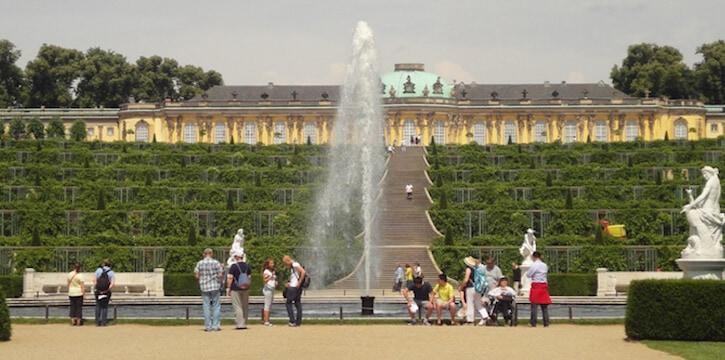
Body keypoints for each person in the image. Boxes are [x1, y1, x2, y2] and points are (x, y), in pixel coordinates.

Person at [681, 166, 725, 258]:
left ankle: (698, 246)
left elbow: (703, 196)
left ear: (710, 173)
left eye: (705, 174)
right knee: (692, 210)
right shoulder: (717, 183)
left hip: (707, 211)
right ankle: (697, 245)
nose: (704, 176)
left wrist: (690, 206)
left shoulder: (711, 182)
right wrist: (690, 196)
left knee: (691, 212)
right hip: (713, 210)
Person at [195, 248, 223, 332]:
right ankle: (216, 326)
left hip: (204, 286)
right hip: (215, 286)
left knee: (206, 306)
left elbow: (196, 275)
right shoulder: (216, 262)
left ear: (204, 254)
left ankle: (208, 326)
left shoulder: (200, 263)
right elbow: (220, 274)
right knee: (216, 306)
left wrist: (203, 278)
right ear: (211, 254)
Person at [459, 256, 488, 326]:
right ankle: (485, 315)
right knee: (478, 304)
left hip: (470, 288)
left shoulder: (468, 269)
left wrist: (461, 287)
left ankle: (470, 320)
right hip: (478, 288)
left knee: (470, 304)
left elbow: (466, 280)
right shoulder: (477, 269)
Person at [227, 250, 251, 329]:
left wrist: (229, 288)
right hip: (245, 287)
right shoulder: (247, 266)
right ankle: (244, 322)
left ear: (237, 257)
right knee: (245, 306)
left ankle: (240, 324)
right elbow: (249, 277)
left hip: (235, 287)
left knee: (237, 306)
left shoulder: (234, 266)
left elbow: (230, 278)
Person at [526, 251, 551, 327]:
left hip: (536, 285)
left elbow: (528, 275)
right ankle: (546, 323)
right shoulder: (544, 265)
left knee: (534, 305)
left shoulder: (534, 265)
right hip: (543, 286)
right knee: (544, 306)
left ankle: (533, 322)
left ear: (533, 257)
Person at [283, 255, 305, 327]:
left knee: (288, 303)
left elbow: (303, 272)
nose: (286, 265)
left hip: (294, 287)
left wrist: (299, 282)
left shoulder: (295, 264)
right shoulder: (294, 265)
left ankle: (292, 320)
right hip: (295, 286)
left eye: (285, 263)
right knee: (297, 303)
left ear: (287, 261)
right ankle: (298, 321)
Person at [93, 259, 115, 327]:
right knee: (105, 307)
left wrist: (98, 288)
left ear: (104, 264)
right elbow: (112, 283)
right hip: (106, 291)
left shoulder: (98, 270)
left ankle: (97, 322)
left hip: (98, 291)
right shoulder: (111, 272)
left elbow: (94, 280)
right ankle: (103, 322)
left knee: (98, 306)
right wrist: (107, 290)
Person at [261, 258, 277, 327]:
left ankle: (266, 319)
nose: (273, 264)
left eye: (273, 263)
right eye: (271, 263)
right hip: (268, 289)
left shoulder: (272, 271)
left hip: (271, 289)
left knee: (269, 305)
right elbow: (265, 280)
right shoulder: (266, 271)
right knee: (267, 305)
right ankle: (266, 321)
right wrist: (271, 276)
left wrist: (275, 282)